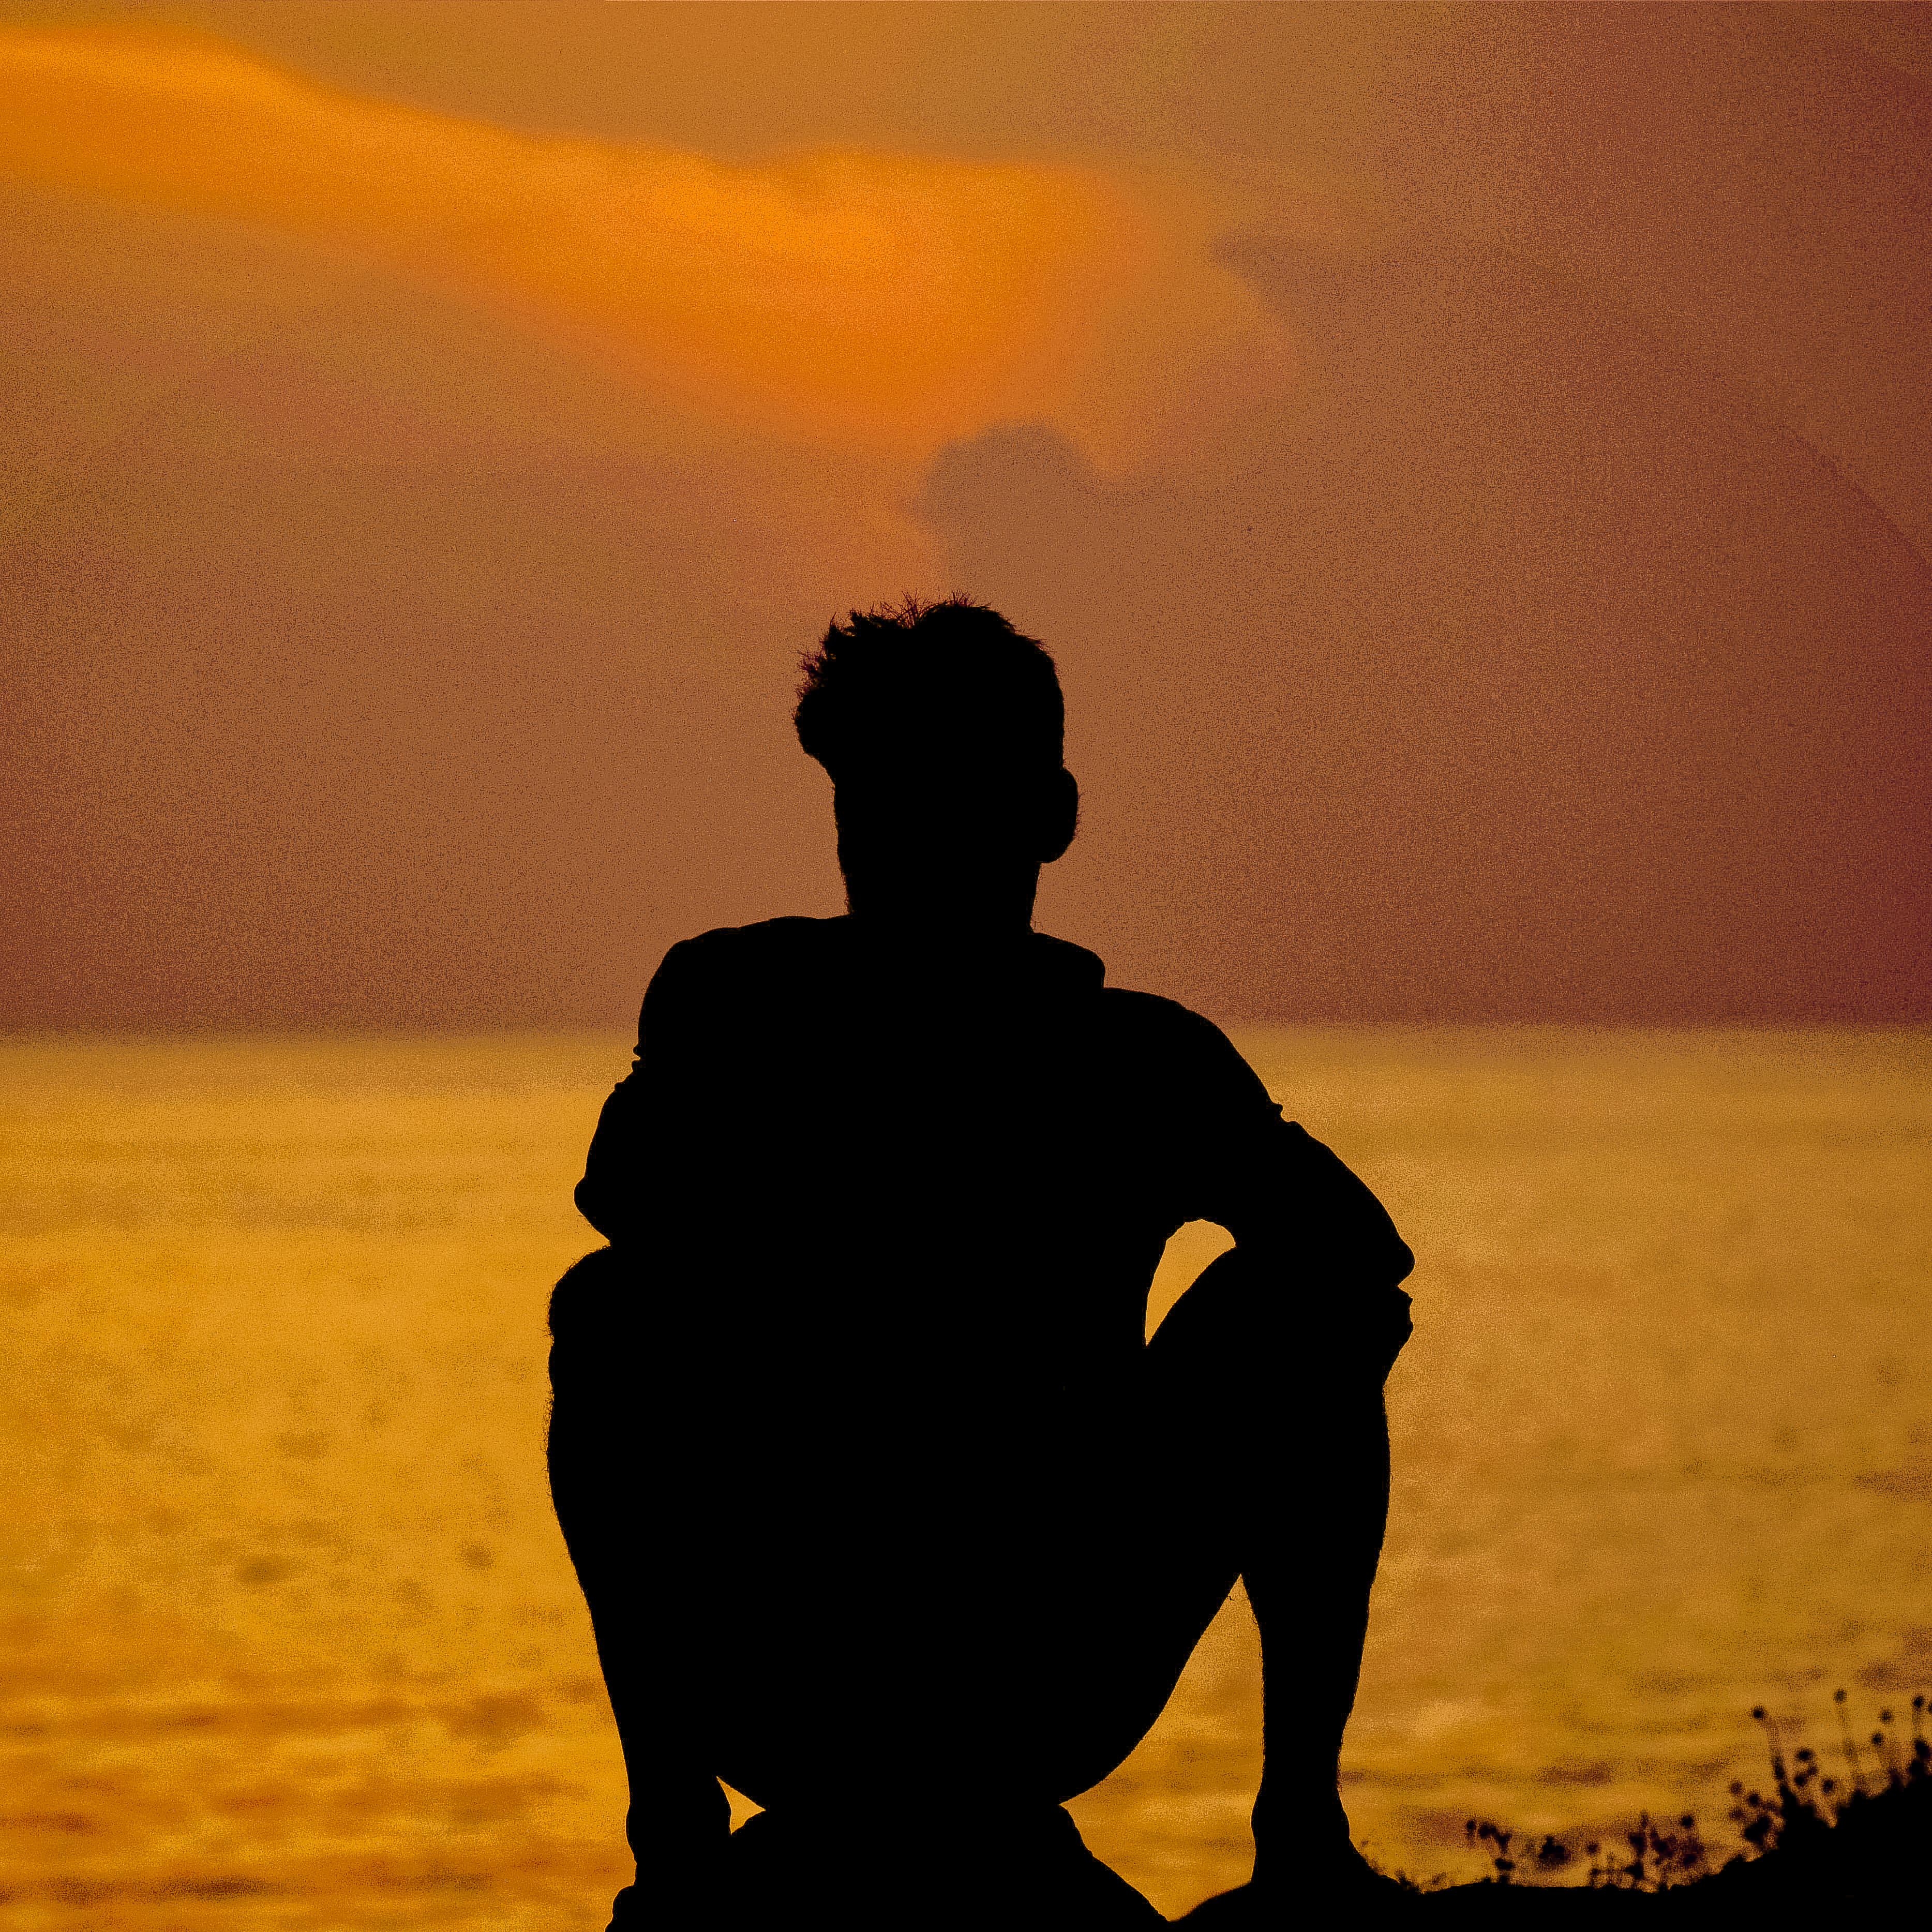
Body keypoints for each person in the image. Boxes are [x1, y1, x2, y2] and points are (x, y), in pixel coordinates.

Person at [547, 596, 1415, 1928]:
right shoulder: (1115, 1057)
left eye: (911, 798)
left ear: (1045, 815)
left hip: (1025, 1657)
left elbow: (1355, 1268)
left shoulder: (1119, 1056)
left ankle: (1296, 1822)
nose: (889, 840)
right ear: (1057, 815)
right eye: (874, 801)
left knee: (611, 1312)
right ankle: (678, 1826)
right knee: (610, 1314)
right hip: (818, 1662)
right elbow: (1359, 1260)